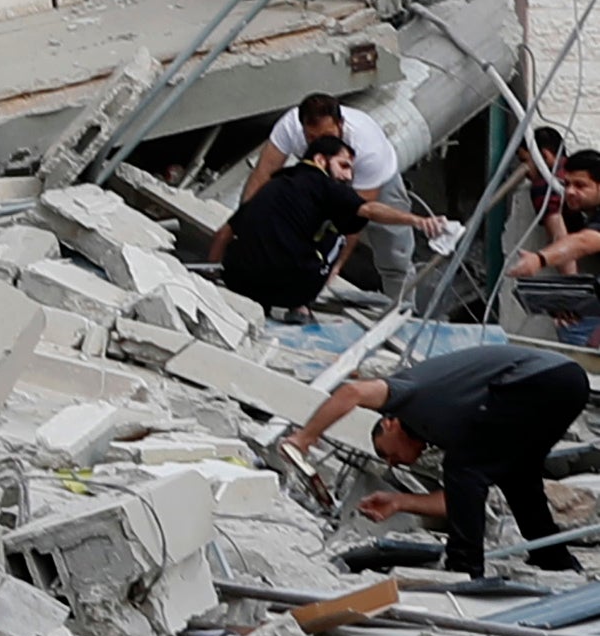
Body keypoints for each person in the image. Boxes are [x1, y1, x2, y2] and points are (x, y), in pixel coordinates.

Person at [290, 337, 596, 580]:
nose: (392, 463)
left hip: (537, 381)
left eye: (385, 451)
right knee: (517, 476)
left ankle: (464, 568)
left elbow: (352, 392)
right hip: (567, 384)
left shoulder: (407, 395)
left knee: (465, 468)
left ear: (389, 423)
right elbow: (461, 499)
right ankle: (554, 559)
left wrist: (305, 437)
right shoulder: (450, 426)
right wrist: (399, 502)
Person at [210, 132, 449, 319]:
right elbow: (369, 209)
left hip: (237, 279)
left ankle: (260, 296)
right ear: (320, 160)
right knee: (340, 232)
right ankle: (300, 306)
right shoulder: (325, 185)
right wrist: (418, 221)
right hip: (285, 289)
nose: (347, 177)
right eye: (343, 166)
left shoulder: (275, 184)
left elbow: (223, 233)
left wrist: (211, 276)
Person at [249, 90, 400, 205]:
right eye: (311, 138)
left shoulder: (369, 150)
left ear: (341, 124)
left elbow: (359, 209)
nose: (320, 145)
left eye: (327, 136)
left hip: (373, 180)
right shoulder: (290, 127)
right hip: (322, 179)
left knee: (390, 230)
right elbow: (263, 174)